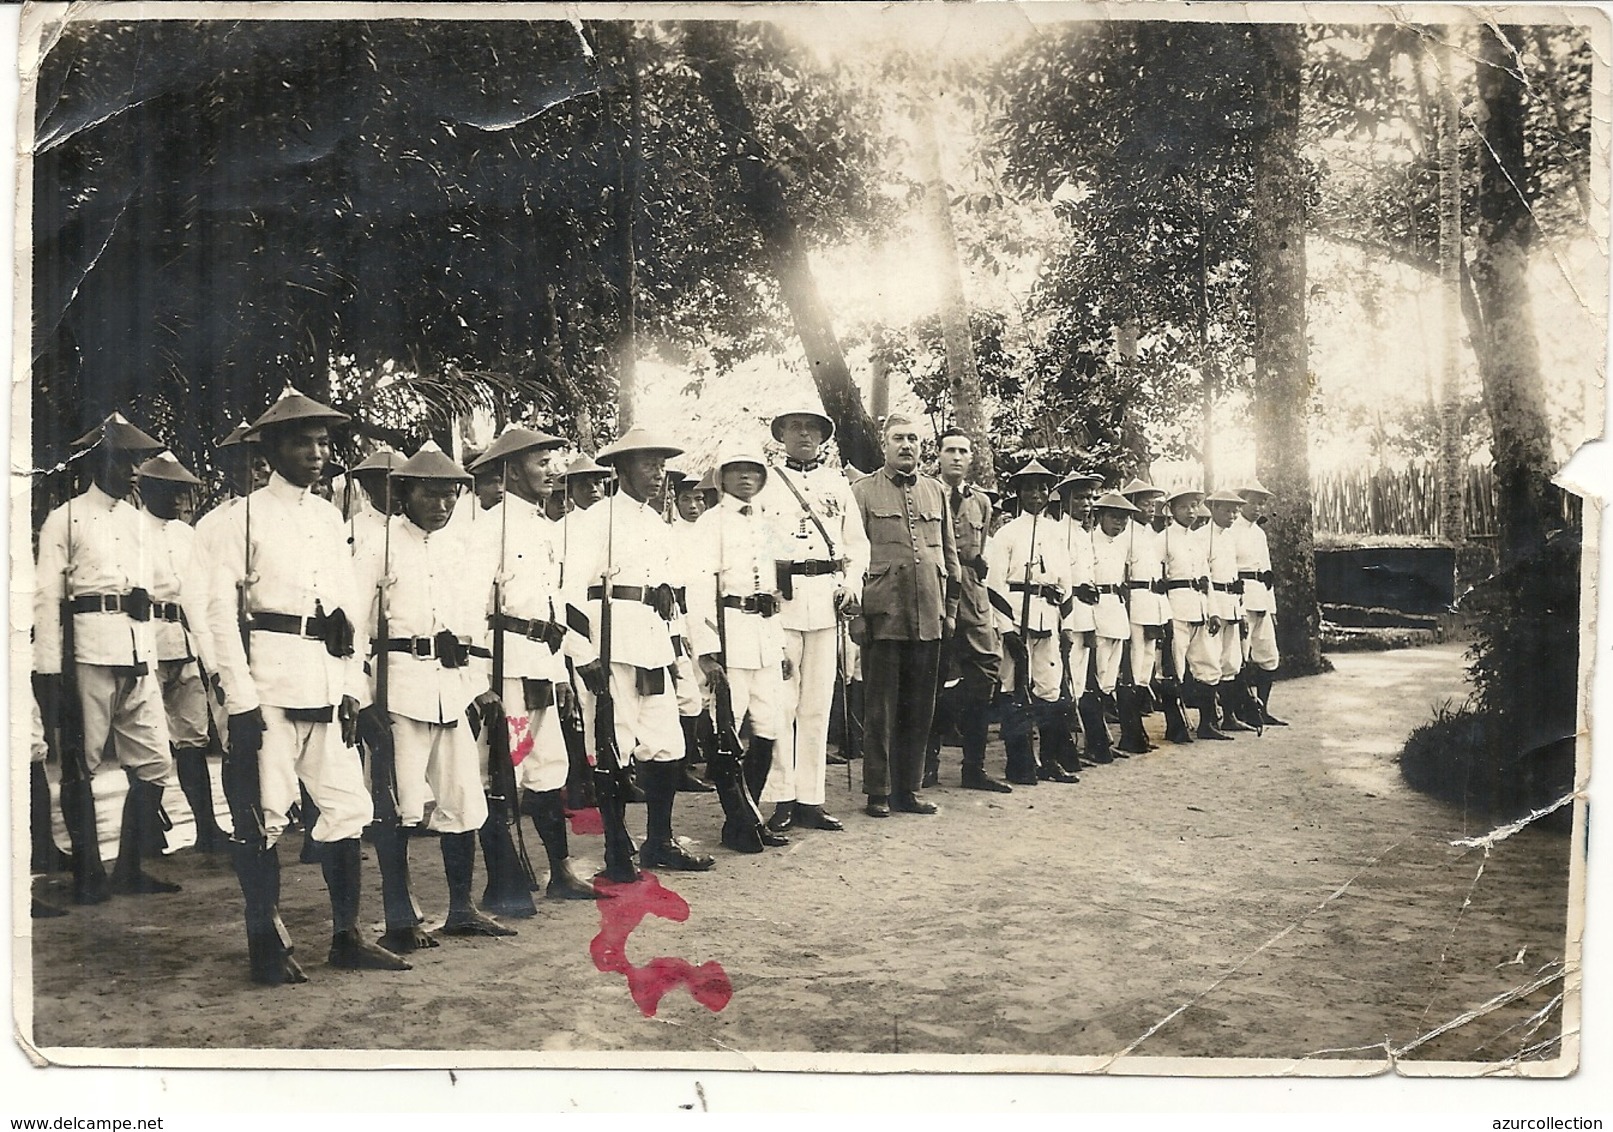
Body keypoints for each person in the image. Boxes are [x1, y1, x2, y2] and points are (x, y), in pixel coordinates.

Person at [204, 384, 408, 985]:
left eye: (323, 441)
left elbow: (349, 615)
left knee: (347, 808)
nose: (317, 452)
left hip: (326, 684)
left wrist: (353, 689)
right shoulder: (239, 519)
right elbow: (216, 614)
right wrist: (240, 700)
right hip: (268, 683)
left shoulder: (326, 515)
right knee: (263, 813)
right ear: (272, 447)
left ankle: (347, 935)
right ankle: (265, 941)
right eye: (303, 442)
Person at [353, 441, 516, 952]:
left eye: (450, 495)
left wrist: (479, 687)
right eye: (430, 494)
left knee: (463, 799)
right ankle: (400, 915)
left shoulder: (460, 550)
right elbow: (356, 627)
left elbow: (471, 625)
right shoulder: (377, 545)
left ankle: (461, 909)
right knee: (399, 804)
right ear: (403, 492)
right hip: (397, 686)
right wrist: (362, 699)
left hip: (451, 686)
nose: (442, 505)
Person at [34, 413, 181, 904]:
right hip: (89, 651)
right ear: (97, 462)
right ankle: (89, 872)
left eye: (137, 461)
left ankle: (130, 867)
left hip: (139, 648)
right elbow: (47, 597)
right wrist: (49, 668)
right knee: (82, 764)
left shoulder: (141, 524)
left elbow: (165, 582)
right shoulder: (66, 518)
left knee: (156, 762)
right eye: (123, 460)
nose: (134, 470)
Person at [564, 428, 716, 873]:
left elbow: (671, 593)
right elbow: (570, 591)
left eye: (661, 465)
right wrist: (582, 652)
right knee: (612, 745)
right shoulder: (598, 519)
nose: (658, 474)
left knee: (667, 745)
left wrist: (680, 650)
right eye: (647, 464)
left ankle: (659, 841)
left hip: (654, 644)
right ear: (621, 468)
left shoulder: (658, 522)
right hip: (611, 644)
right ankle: (616, 848)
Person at [467, 425, 601, 905]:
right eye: (540, 463)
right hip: (506, 665)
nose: (552, 470)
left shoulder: (544, 527)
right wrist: (480, 677)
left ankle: (559, 871)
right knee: (504, 771)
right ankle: (502, 878)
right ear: (510, 470)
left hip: (543, 662)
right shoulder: (488, 529)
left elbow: (554, 607)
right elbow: (472, 606)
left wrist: (567, 668)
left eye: (552, 460)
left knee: (549, 767)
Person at [755, 406, 867, 833]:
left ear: (823, 436)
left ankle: (811, 799)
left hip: (825, 604)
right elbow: (755, 547)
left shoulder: (837, 485)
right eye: (795, 427)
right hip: (781, 604)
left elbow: (856, 545)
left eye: (813, 428)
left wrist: (851, 583)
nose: (804, 434)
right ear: (781, 432)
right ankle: (781, 796)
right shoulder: (765, 485)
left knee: (817, 707)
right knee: (782, 704)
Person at [849, 414, 959, 818]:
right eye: (898, 438)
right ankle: (878, 790)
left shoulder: (936, 492)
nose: (907, 445)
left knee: (919, 707)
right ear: (884, 444)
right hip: (884, 613)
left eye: (913, 438)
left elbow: (950, 555)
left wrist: (949, 611)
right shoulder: (861, 492)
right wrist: (856, 615)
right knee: (880, 709)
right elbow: (853, 557)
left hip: (928, 611)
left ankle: (907, 790)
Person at [688, 442, 789, 854]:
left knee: (768, 725)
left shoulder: (767, 523)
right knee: (726, 730)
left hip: (765, 634)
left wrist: (780, 645)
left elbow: (777, 589)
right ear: (722, 477)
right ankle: (741, 821)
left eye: (754, 470)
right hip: (730, 635)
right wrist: (708, 650)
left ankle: (748, 816)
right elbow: (696, 590)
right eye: (737, 469)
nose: (747, 477)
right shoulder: (710, 524)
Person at [138, 451, 229, 853]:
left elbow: (204, 594)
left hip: (185, 640)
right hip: (147, 639)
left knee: (192, 736)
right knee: (148, 738)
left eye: (182, 492)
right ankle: (144, 827)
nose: (178, 500)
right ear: (146, 489)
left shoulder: (187, 536)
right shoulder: (132, 530)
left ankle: (207, 828)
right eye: (169, 490)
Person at [925, 428, 1010, 793]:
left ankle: (973, 767)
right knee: (929, 678)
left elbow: (979, 555)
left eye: (963, 451)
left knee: (984, 674)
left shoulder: (981, 502)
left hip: (973, 601)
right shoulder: (925, 493)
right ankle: (925, 766)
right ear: (938, 456)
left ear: (971, 458)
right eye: (950, 451)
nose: (957, 457)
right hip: (935, 595)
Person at [986, 459, 1073, 787]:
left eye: (1041, 487)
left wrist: (1065, 625)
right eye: (1029, 488)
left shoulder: (1056, 533)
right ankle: (1020, 763)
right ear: (1019, 492)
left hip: (1048, 616)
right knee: (1014, 688)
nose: (1036, 494)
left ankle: (1049, 761)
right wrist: (1006, 630)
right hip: (1017, 616)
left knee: (1050, 688)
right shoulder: (1007, 534)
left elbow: (1067, 580)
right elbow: (994, 586)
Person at [1160, 487, 1229, 742]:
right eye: (1184, 507)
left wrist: (1213, 611)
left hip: (1200, 607)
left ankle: (1207, 724)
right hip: (1175, 609)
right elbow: (1158, 578)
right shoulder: (1163, 540)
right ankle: (1175, 726)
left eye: (1194, 506)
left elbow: (1206, 577)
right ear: (1171, 509)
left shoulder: (1198, 541)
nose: (1190, 512)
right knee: (1172, 667)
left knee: (1209, 664)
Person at [1054, 469, 1107, 770]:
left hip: (1086, 611)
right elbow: (1062, 576)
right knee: (1066, 679)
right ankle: (1064, 748)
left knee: (1081, 679)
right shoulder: (1058, 532)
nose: (1086, 503)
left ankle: (1081, 745)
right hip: (1069, 610)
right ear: (1065, 500)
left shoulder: (1084, 533)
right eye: (1080, 497)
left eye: (1090, 497)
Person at [1090, 491, 1146, 753]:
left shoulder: (1124, 543)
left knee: (1111, 678)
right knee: (1097, 675)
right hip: (1096, 608)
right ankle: (1097, 739)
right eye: (1114, 517)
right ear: (1100, 516)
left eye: (1123, 519)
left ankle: (1105, 739)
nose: (1119, 524)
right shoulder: (1088, 541)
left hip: (1116, 609)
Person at [1119, 478, 1170, 752]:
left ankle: (1138, 731)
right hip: (1135, 603)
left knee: (1146, 666)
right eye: (1144, 504)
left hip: (1153, 603)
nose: (1150, 509)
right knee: (1134, 663)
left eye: (1152, 504)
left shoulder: (1153, 535)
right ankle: (1131, 733)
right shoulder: (1125, 534)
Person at [1236, 481, 1288, 726]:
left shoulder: (1259, 533)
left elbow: (1267, 573)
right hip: (1241, 598)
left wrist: (1272, 606)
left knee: (1268, 655)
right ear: (1241, 500)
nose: (1257, 508)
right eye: (1252, 501)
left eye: (1261, 503)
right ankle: (1242, 710)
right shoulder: (1231, 530)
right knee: (1240, 656)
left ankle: (1263, 708)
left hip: (1261, 598)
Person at [1205, 489, 1256, 734]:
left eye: (1235, 510)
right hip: (1213, 605)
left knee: (1231, 662)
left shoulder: (1229, 538)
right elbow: (1204, 579)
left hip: (1233, 605)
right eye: (1227, 509)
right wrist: (1211, 610)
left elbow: (1235, 578)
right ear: (1213, 508)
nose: (1232, 514)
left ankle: (1229, 716)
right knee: (1211, 661)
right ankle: (1209, 719)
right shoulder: (1202, 537)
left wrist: (1242, 612)